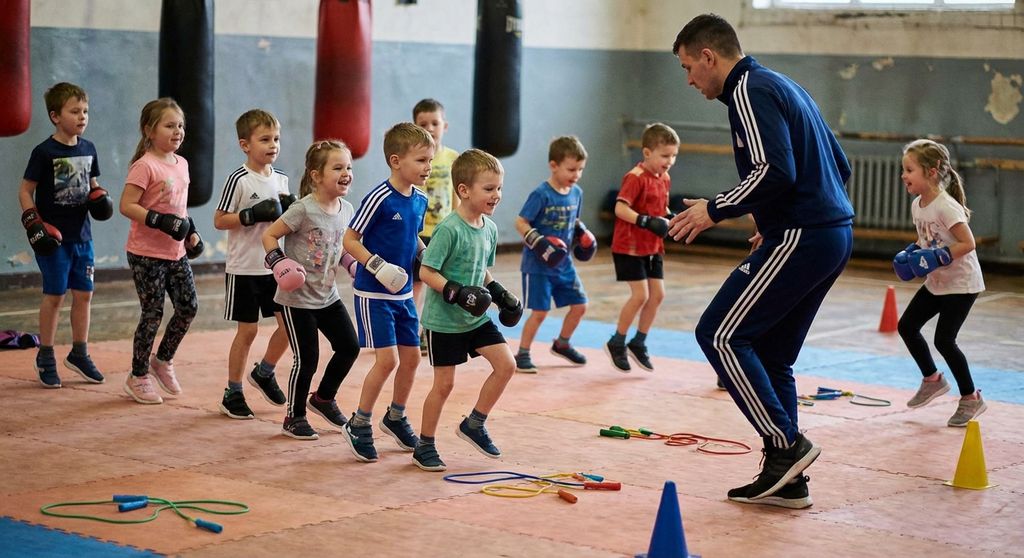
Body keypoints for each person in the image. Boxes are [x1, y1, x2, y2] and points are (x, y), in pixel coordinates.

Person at [669, 14, 854, 509]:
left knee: (720, 334)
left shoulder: (748, 89)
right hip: (830, 236)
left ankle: (786, 446)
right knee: (772, 356)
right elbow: (841, 166)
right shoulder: (784, 84)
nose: (688, 79)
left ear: (710, 57)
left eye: (689, 67)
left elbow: (774, 169)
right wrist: (770, 221)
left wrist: (714, 209)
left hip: (804, 234)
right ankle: (788, 482)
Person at [413, 148, 521, 471]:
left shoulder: (488, 228)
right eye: (489, 189)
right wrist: (454, 292)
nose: (496, 195)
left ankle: (474, 423)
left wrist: (500, 294)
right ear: (464, 190)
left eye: (499, 188)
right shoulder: (449, 229)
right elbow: (426, 271)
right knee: (444, 386)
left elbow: (482, 271)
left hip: (474, 319)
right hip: (443, 321)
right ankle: (424, 445)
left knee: (507, 365)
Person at [341, 122, 432, 462]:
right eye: (421, 161)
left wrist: (426, 256)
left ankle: (395, 416)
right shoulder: (379, 197)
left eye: (430, 161)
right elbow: (349, 240)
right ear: (396, 161)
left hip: (404, 293)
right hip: (373, 293)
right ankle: (359, 422)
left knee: (412, 357)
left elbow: (412, 238)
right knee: (388, 359)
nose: (428, 168)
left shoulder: (420, 199)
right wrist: (376, 266)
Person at [261, 139, 361, 439]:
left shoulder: (347, 209)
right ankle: (294, 416)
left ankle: (324, 398)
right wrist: (278, 262)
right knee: (307, 359)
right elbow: (270, 234)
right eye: (338, 167)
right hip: (296, 299)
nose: (346, 173)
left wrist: (353, 265)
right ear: (316, 175)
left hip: (327, 296)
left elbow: (339, 247)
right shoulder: (302, 209)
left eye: (349, 167)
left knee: (349, 347)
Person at [18, 82, 111, 388]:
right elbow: (25, 190)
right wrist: (34, 222)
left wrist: (99, 196)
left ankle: (79, 353)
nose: (82, 116)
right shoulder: (44, 152)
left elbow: (92, 182)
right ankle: (45, 354)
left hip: (82, 236)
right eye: (75, 111)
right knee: (55, 296)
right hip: (53, 240)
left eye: (85, 110)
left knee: (84, 294)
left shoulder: (88, 148)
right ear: (56, 116)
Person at [893, 139, 986, 427]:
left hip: (961, 284)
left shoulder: (946, 207)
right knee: (907, 326)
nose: (903, 175)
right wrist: (912, 253)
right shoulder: (917, 205)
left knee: (944, 340)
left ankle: (971, 398)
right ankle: (932, 379)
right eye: (903, 169)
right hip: (938, 282)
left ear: (931, 172)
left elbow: (968, 243)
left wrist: (941, 255)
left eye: (909, 170)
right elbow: (927, 240)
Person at [119, 98, 204, 405]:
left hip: (176, 252)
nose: (177, 131)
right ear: (149, 130)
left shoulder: (182, 163)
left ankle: (162, 359)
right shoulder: (145, 165)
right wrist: (157, 220)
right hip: (146, 253)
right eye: (169, 125)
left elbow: (178, 207)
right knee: (152, 312)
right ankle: (138, 375)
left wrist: (191, 231)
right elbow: (126, 205)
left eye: (180, 125)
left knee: (188, 307)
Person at [212, 109, 293, 419]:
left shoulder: (282, 179)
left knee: (290, 328)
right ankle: (232, 390)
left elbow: (287, 223)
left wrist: (291, 211)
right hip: (244, 268)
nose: (272, 145)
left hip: (275, 268)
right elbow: (219, 220)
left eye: (276, 139)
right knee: (247, 331)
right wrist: (250, 215)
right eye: (264, 139)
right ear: (245, 144)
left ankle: (265, 371)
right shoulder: (239, 180)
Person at [513, 136, 595, 374]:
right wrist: (537, 241)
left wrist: (582, 233)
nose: (576, 174)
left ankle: (562, 343)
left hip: (564, 263)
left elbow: (574, 220)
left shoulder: (576, 192)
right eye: (571, 169)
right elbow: (521, 221)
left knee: (580, 305)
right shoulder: (541, 193)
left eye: (580, 169)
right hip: (537, 265)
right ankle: (523, 353)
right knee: (540, 312)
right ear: (554, 165)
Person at [605, 123, 679, 373]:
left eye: (673, 155)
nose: (670, 161)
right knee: (641, 295)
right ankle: (617, 341)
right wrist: (646, 221)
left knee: (658, 295)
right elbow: (620, 208)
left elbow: (661, 208)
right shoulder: (635, 177)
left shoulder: (664, 178)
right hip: (630, 246)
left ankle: (639, 342)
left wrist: (672, 218)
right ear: (647, 153)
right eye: (665, 155)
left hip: (652, 246)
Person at [412, 99, 460, 356]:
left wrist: (457, 226)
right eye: (423, 124)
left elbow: (456, 196)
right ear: (414, 126)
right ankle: (412, 331)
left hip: (442, 232)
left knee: (440, 284)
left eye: (435, 123)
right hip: (419, 233)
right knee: (417, 284)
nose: (430, 128)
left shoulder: (453, 158)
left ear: (445, 125)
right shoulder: (413, 159)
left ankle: (432, 330)